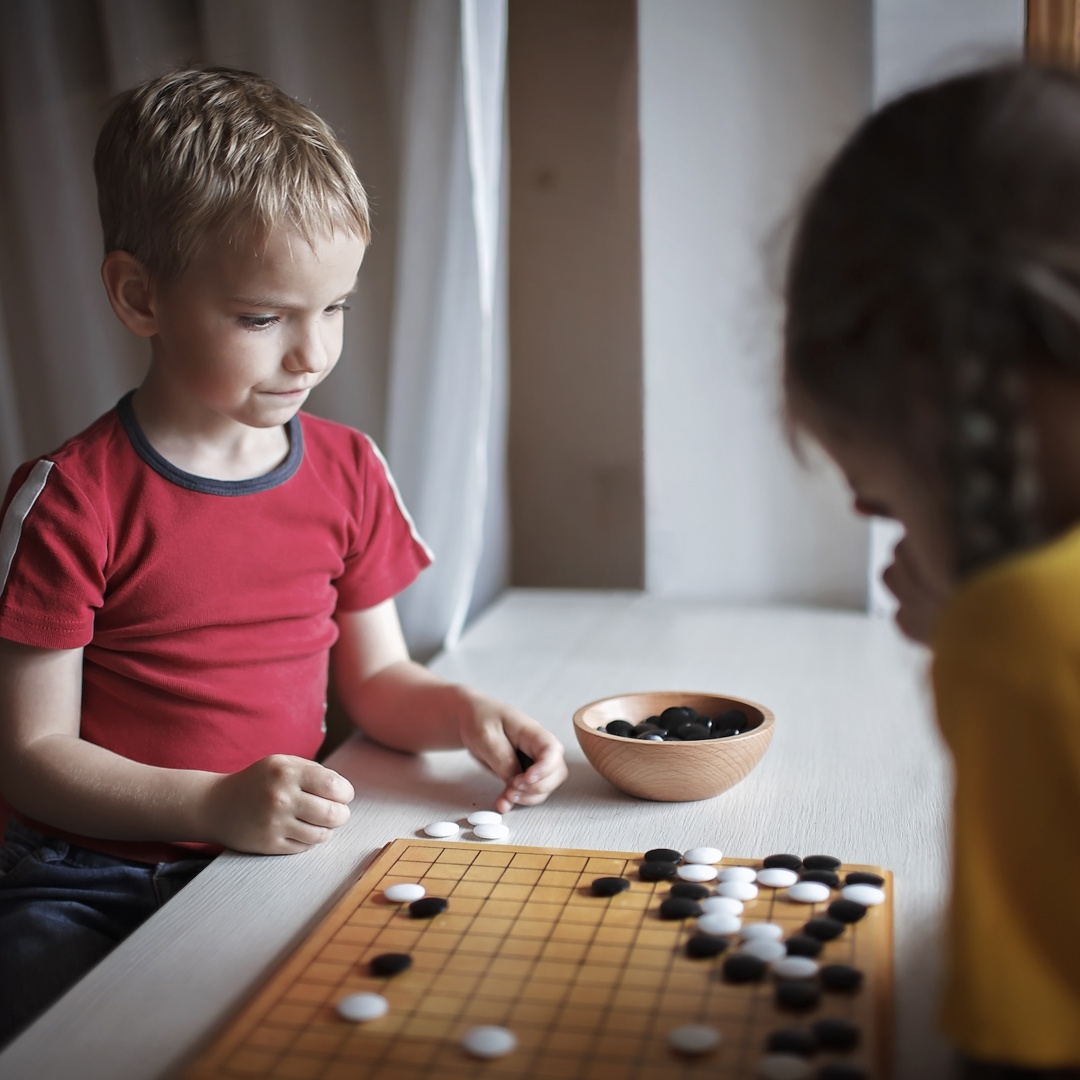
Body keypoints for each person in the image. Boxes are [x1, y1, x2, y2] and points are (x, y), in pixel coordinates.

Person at [0, 66, 567, 1047]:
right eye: (264, 318)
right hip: (86, 878)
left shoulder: (348, 469)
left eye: (335, 307)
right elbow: (31, 758)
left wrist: (465, 714)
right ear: (140, 296)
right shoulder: (68, 498)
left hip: (276, 857)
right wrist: (213, 804)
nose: (311, 353)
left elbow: (380, 681)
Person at [784, 65, 1080, 1076]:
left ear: (935, 404)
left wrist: (983, 628)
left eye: (880, 500)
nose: (893, 547)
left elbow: (1018, 1050)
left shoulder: (1024, 635)